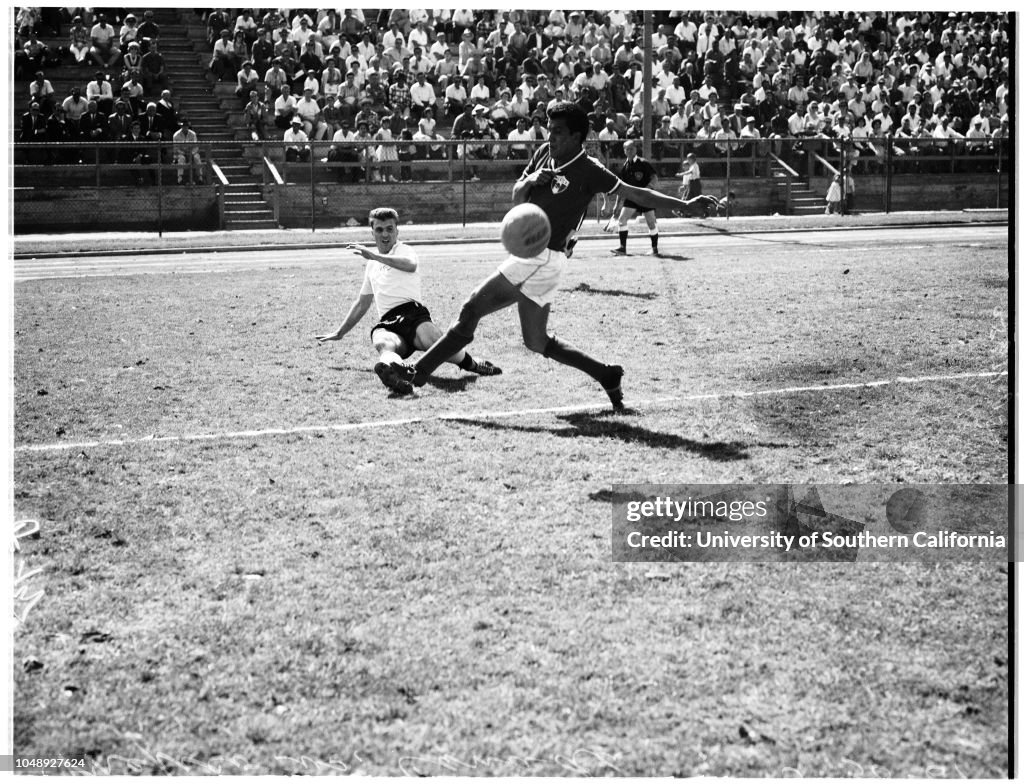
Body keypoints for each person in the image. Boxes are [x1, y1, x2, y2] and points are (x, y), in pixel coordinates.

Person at [385, 101, 717, 408]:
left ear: (577, 136)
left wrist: (684, 204)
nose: (550, 136)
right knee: (536, 341)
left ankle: (415, 374)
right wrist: (531, 177)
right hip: (538, 257)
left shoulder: (590, 169)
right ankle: (606, 374)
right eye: (548, 129)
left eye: (557, 131)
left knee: (471, 308)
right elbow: (517, 195)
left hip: (543, 258)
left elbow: (634, 192)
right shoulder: (545, 154)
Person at [315, 207, 502, 394]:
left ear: (397, 231)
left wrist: (373, 255)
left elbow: (410, 266)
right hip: (388, 322)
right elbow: (362, 303)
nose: (385, 234)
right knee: (382, 342)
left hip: (413, 316)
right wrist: (340, 332)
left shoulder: (404, 250)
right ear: (372, 233)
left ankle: (474, 364)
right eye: (379, 230)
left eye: (389, 229)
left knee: (436, 342)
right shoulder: (371, 265)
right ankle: (394, 375)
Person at [605, 139, 661, 256]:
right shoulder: (625, 167)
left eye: (632, 148)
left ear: (636, 149)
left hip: (645, 197)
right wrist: (617, 205)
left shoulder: (643, 162)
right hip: (632, 198)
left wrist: (648, 189)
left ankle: (654, 249)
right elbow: (622, 188)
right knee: (622, 220)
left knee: (651, 223)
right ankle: (622, 248)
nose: (629, 151)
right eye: (627, 149)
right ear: (624, 151)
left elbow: (654, 178)